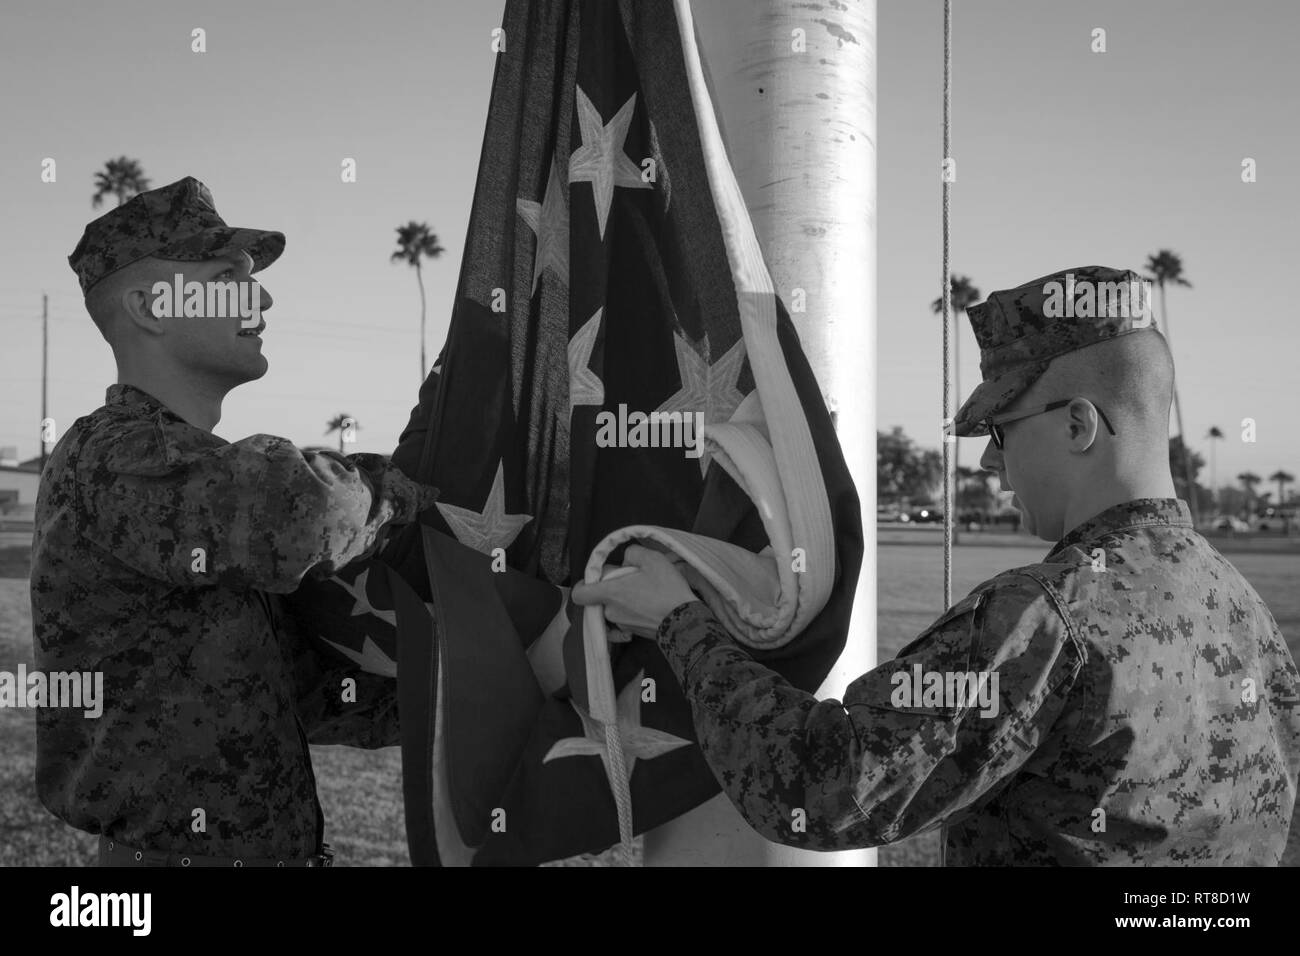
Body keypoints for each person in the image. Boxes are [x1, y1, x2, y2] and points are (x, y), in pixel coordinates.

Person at [573, 265, 1300, 865]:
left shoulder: (1049, 616)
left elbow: (820, 791)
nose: (987, 458)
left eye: (1001, 428)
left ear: (1078, 424)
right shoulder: (1239, 605)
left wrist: (679, 622)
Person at [32, 177, 440, 867]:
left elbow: (299, 686)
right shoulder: (114, 454)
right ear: (149, 307)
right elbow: (308, 512)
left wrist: (486, 678)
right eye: (227, 277)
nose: (263, 297)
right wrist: (412, 490)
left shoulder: (195, 484)